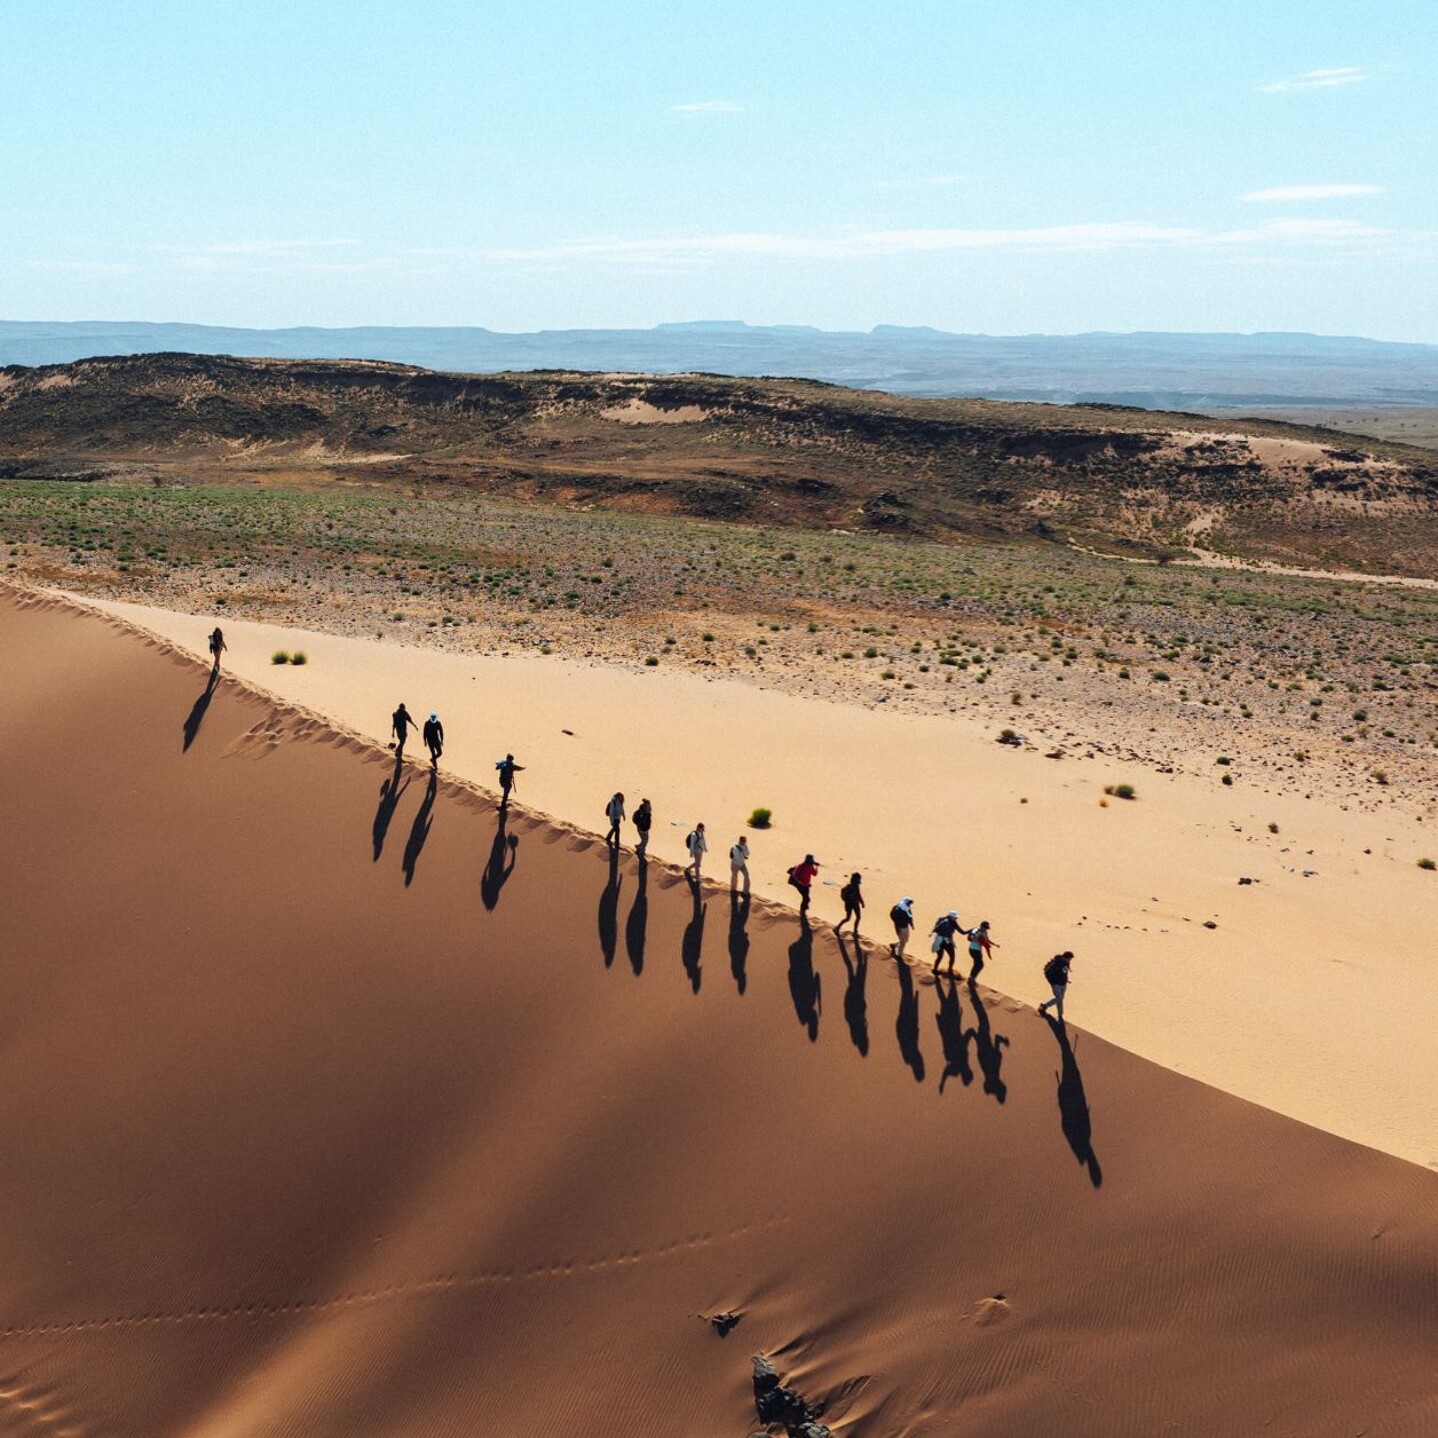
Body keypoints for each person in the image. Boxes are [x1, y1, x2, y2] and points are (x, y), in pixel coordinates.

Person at [1038, 951, 1075, 1024]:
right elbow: (1048, 973)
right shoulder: (1056, 963)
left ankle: (1060, 1015)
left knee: (1060, 999)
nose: (1070, 961)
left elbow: (1064, 972)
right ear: (1065, 957)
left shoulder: (1066, 962)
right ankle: (1045, 1006)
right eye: (1069, 959)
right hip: (1056, 985)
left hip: (1063, 984)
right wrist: (1053, 983)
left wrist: (1065, 980)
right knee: (1059, 999)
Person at [930, 909, 962, 977]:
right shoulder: (953, 923)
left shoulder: (941, 919)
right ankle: (949, 970)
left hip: (939, 940)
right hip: (946, 941)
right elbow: (962, 932)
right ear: (950, 917)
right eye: (955, 917)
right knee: (951, 956)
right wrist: (972, 930)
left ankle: (936, 969)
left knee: (941, 956)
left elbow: (936, 928)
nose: (956, 919)